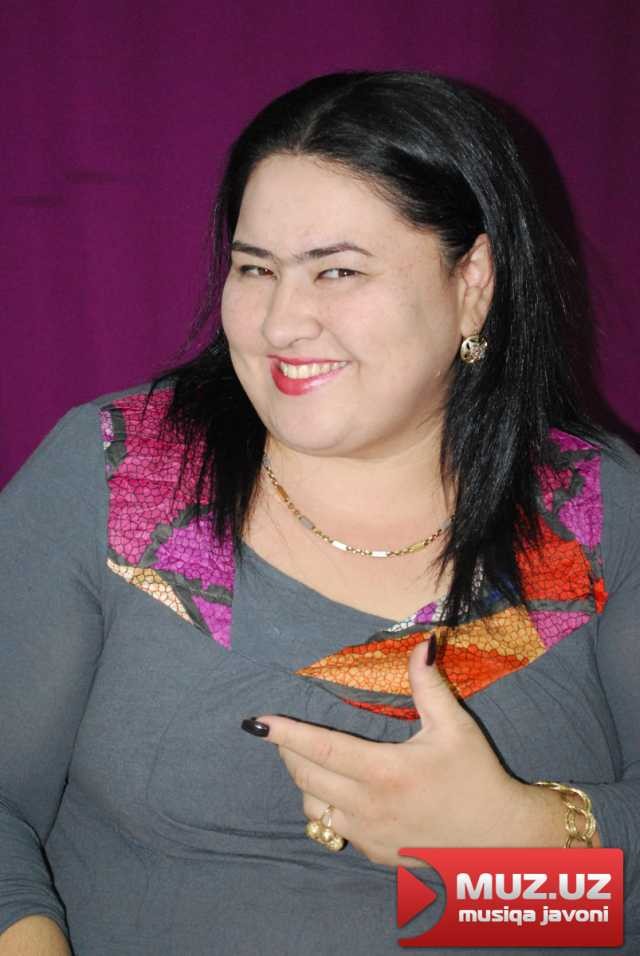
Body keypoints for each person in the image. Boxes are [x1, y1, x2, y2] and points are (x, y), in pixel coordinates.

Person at [0, 70, 638, 956]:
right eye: (255, 269)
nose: (281, 323)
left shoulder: (595, 510)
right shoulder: (122, 476)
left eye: (337, 270)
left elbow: (588, 912)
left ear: (473, 282)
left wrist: (521, 840)